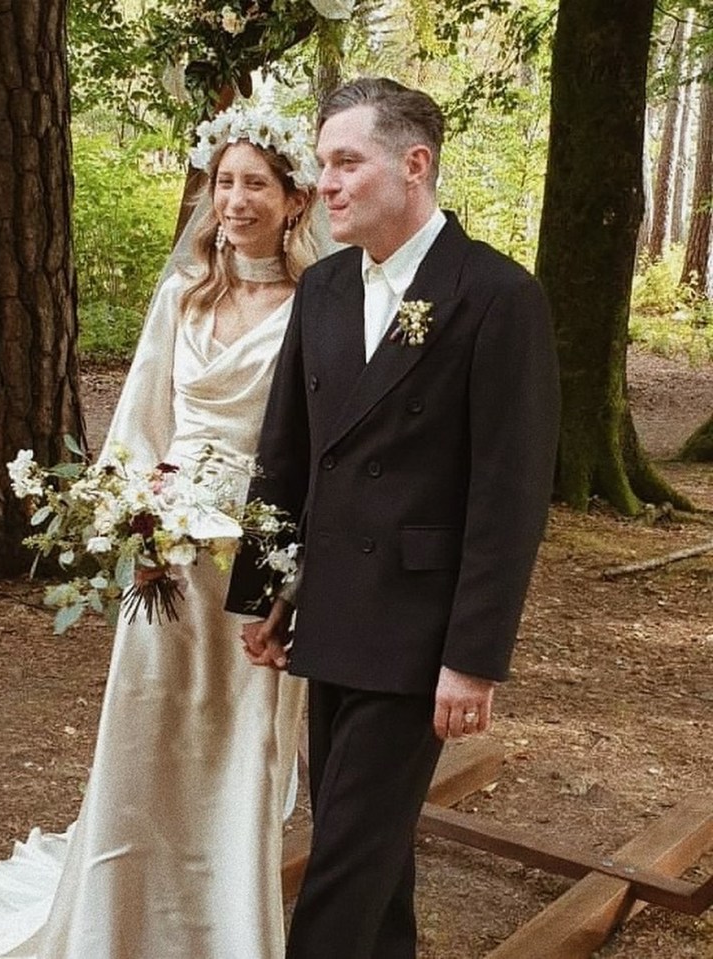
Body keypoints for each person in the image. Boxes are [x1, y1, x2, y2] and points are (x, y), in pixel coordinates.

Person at [0, 103, 328, 959]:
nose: (234, 200)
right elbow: (137, 428)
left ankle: (225, 926)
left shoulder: (317, 308)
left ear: (296, 199)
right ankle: (119, 915)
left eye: (255, 184)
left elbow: (316, 445)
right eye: (224, 182)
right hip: (168, 557)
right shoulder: (181, 300)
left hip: (260, 557)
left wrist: (291, 562)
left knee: (240, 743)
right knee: (151, 728)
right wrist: (137, 525)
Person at [226, 77, 561, 959]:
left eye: (347, 162)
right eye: (323, 163)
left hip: (418, 633)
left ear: (414, 166)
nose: (326, 183)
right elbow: (287, 452)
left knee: (342, 857)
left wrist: (472, 658)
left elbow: (509, 498)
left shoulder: (497, 296)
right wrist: (268, 594)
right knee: (371, 855)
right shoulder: (327, 287)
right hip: (329, 615)